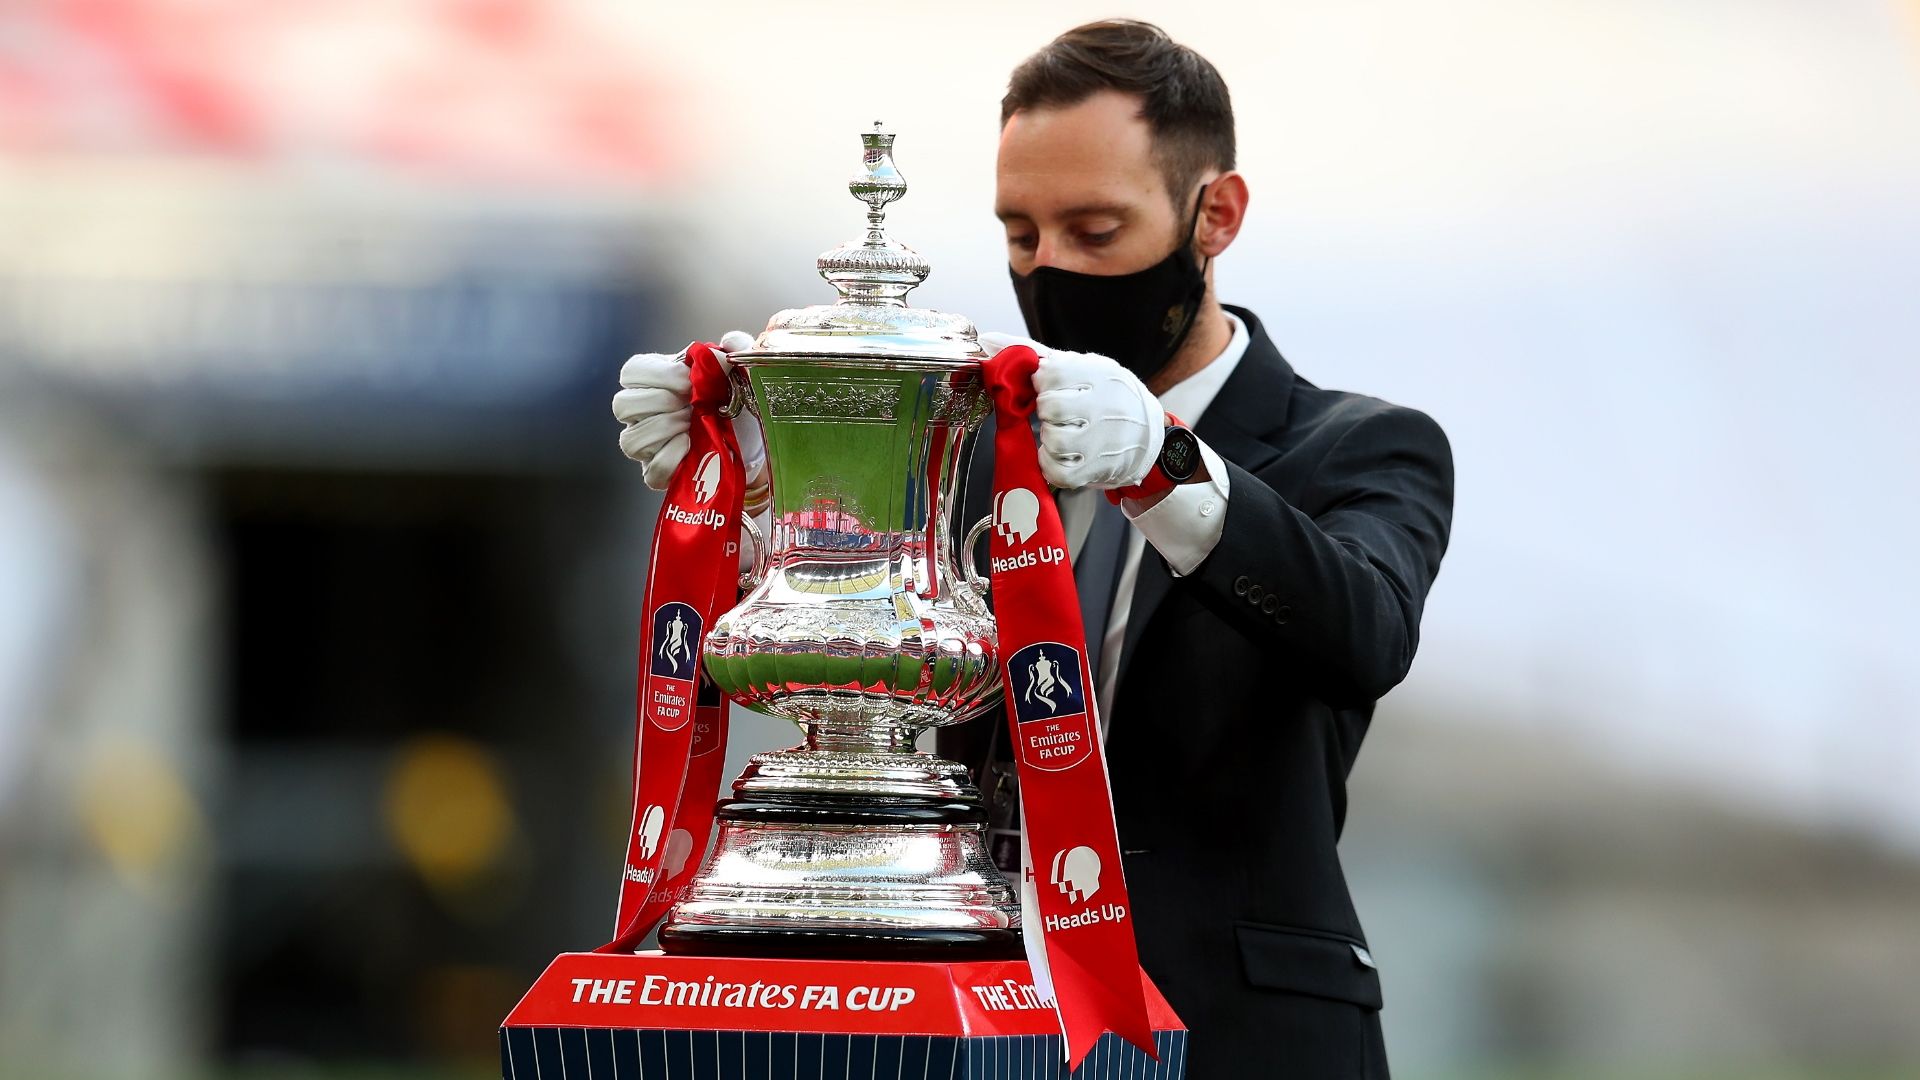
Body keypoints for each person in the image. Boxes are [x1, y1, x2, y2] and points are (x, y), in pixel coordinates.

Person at [613, 20, 1453, 1078]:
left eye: (1096, 231)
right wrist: (756, 489)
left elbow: (1365, 630)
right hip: (983, 1020)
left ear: (1217, 215)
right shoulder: (972, 445)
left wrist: (1166, 464)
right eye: (1021, 235)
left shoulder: (1363, 445)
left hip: (1240, 1032)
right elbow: (878, 660)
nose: (1052, 269)